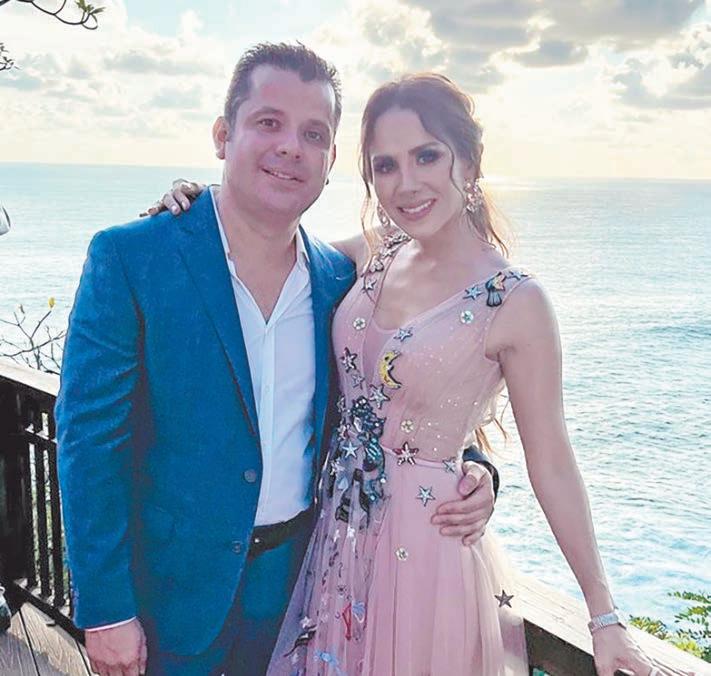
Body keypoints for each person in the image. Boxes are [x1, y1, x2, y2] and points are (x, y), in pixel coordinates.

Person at [161, 73, 690, 676]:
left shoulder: (515, 302)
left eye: (427, 156)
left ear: (470, 160)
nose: (406, 184)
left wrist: (603, 614)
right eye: (385, 166)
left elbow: (553, 461)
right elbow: (269, 246)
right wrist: (204, 207)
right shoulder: (376, 251)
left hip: (428, 552)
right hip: (335, 547)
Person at [55, 44, 496, 676]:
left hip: (301, 593)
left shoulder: (342, 279)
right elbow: (90, 442)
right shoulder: (133, 258)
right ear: (222, 135)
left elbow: (398, 389)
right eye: (269, 122)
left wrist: (474, 465)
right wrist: (105, 609)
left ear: (332, 161)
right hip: (167, 603)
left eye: (313, 134)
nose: (291, 147)